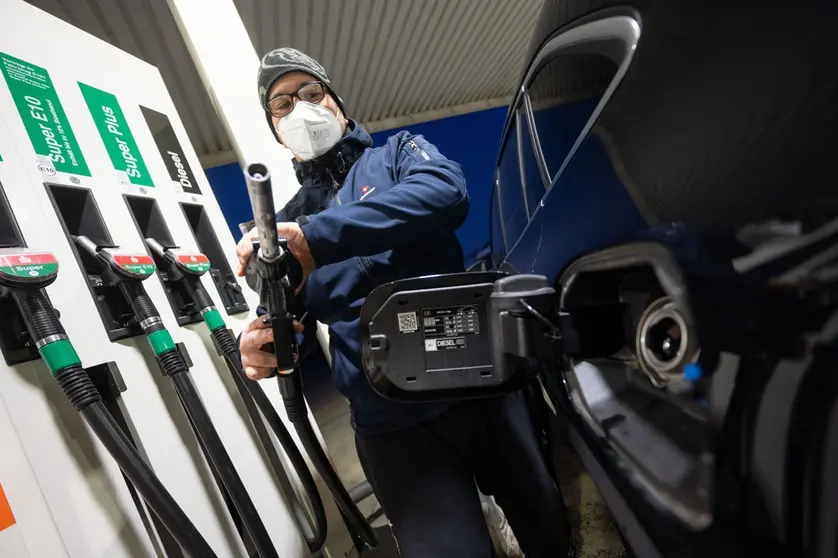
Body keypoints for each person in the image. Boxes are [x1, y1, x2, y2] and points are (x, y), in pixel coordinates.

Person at [235, 47, 569, 558]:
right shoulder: (283, 226)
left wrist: (318, 237)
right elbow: (283, 317)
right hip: (391, 427)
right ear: (275, 129)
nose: (300, 109)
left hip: (481, 388)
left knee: (547, 530)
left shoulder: (399, 155)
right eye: (282, 105)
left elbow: (445, 193)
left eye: (311, 93)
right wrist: (261, 339)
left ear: (337, 105)